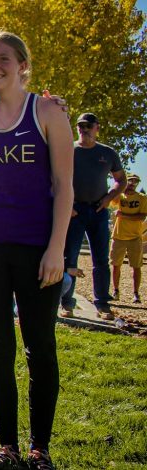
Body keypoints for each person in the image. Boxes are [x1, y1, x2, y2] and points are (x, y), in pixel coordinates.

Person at [0, 31, 72, 470]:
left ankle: (39, 449)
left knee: (40, 348)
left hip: (35, 247)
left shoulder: (47, 111)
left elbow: (64, 186)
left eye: (3, 58)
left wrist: (57, 249)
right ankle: (7, 444)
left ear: (23, 64)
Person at [61, 112, 125, 320]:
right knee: (69, 257)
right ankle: (67, 303)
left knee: (100, 258)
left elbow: (120, 180)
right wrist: (67, 205)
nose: (84, 129)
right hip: (75, 211)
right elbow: (54, 178)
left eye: (88, 125)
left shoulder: (107, 153)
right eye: (80, 126)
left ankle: (102, 303)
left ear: (97, 127)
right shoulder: (68, 150)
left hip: (98, 210)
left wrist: (109, 198)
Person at [110, 173, 147, 303]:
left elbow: (141, 217)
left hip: (135, 237)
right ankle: (115, 291)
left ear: (138, 183)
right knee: (115, 265)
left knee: (136, 266)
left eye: (135, 182)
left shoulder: (142, 198)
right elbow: (111, 199)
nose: (132, 184)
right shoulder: (120, 197)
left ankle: (136, 293)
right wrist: (119, 187)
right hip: (118, 236)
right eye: (130, 181)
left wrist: (122, 215)